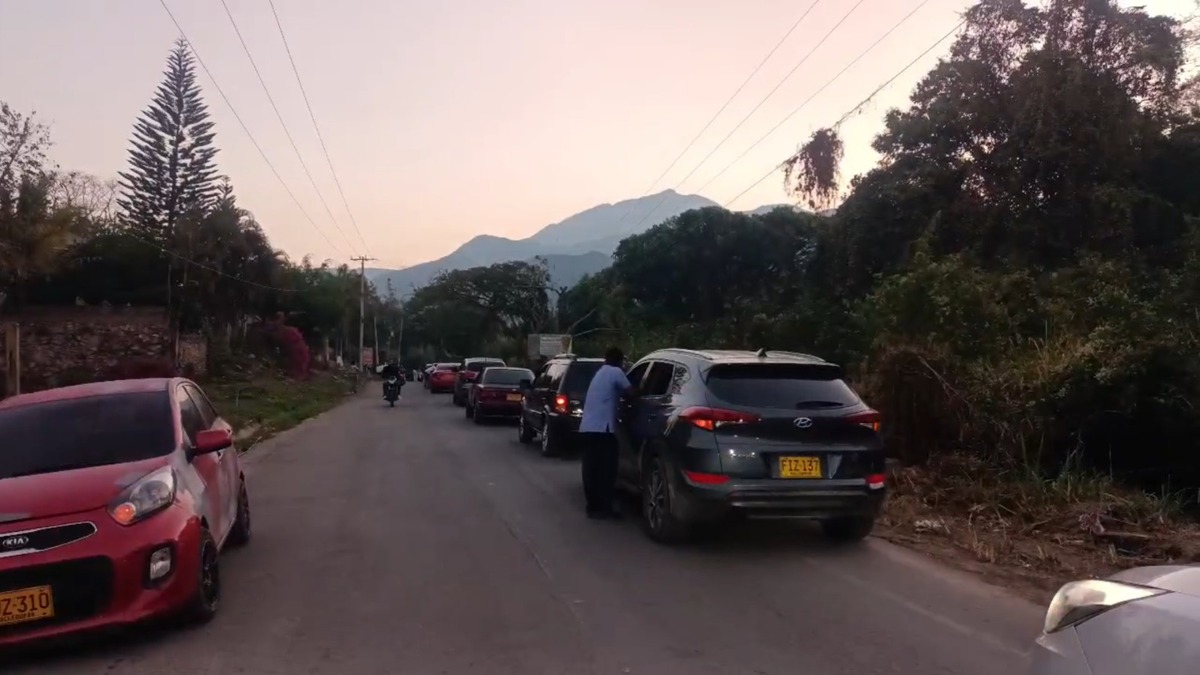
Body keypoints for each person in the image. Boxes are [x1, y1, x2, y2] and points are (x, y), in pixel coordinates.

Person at [578, 346, 635, 519]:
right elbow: (631, 393)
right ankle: (605, 507)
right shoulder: (616, 372)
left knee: (591, 469)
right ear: (619, 360)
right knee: (607, 469)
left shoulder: (600, 373)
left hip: (587, 428)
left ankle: (592, 507)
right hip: (604, 429)